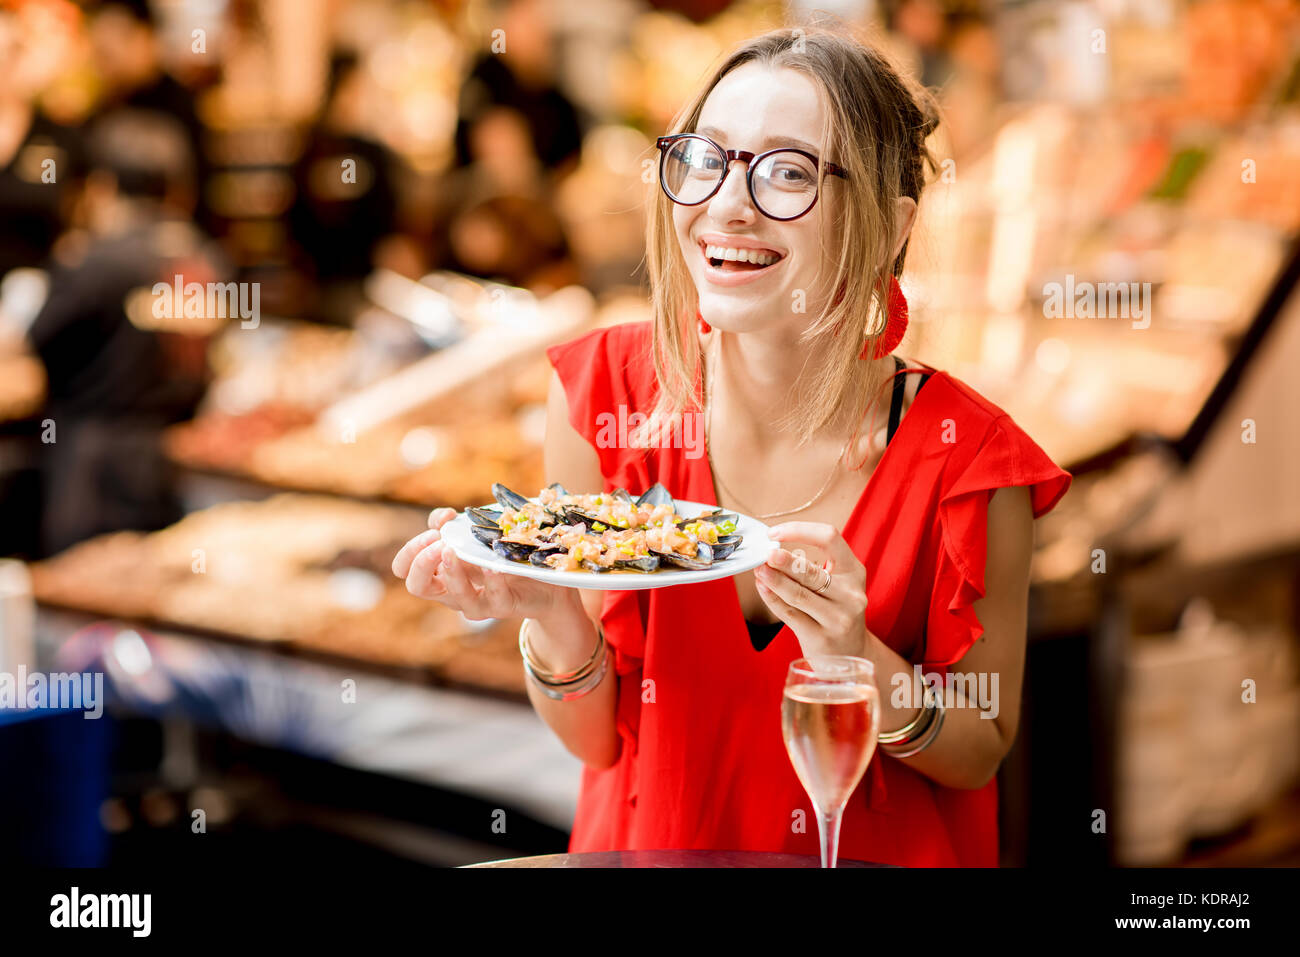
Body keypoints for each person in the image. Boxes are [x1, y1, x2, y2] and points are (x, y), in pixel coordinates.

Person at [393, 26, 1071, 867]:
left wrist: (855, 654)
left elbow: (978, 751)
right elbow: (595, 743)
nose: (727, 205)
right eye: (706, 159)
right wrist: (551, 611)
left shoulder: (969, 460)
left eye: (789, 172)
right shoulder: (604, 395)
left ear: (889, 226)